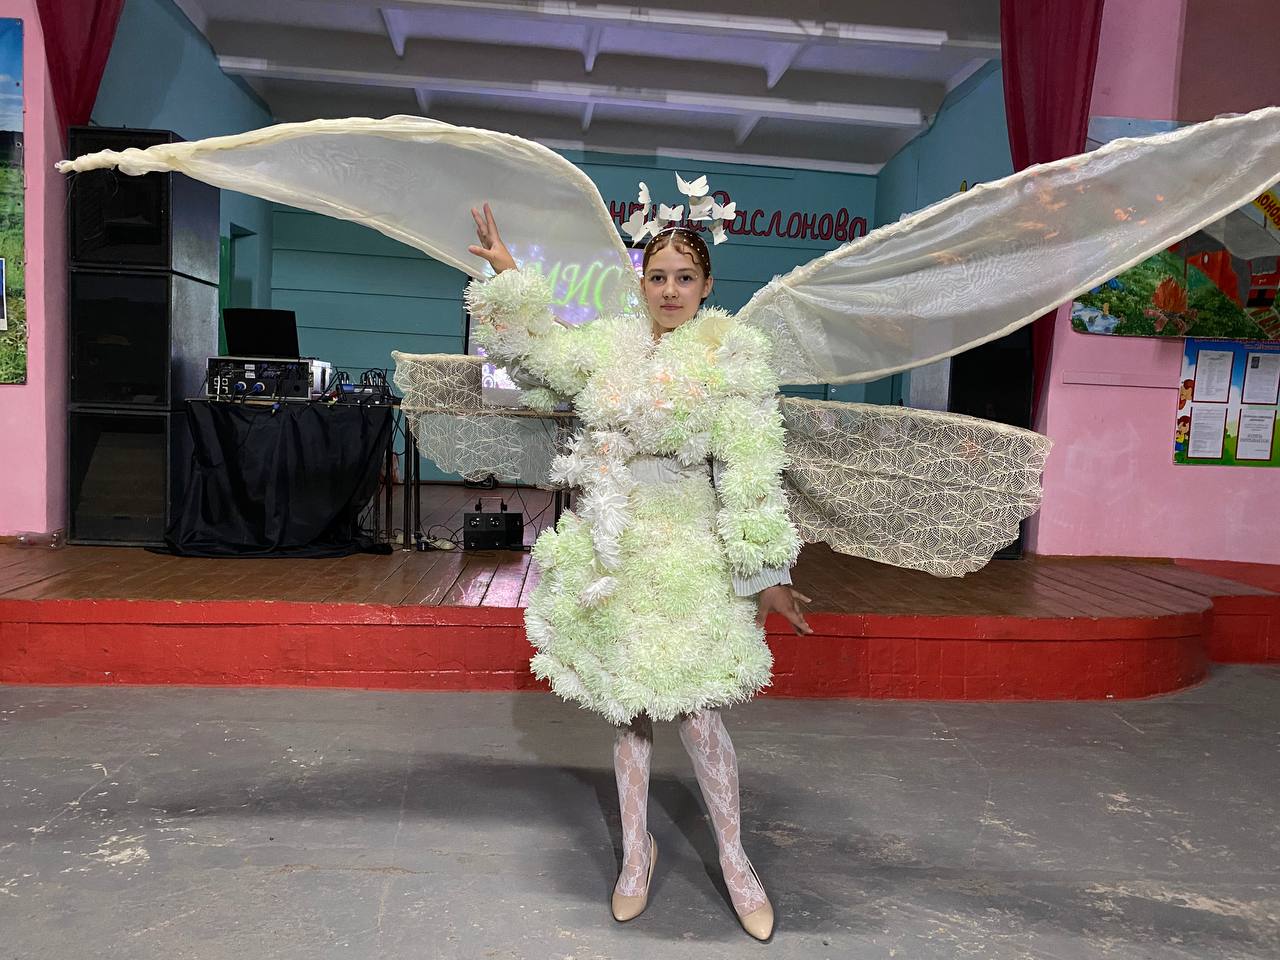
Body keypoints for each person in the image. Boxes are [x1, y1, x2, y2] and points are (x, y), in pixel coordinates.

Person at [466, 201, 811, 940]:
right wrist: (506, 271)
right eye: (657, 276)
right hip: (616, 547)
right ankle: (636, 853)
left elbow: (751, 466)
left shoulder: (730, 356)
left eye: (685, 277)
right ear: (640, 283)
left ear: (707, 284)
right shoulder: (610, 346)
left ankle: (735, 858)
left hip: (690, 550)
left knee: (698, 711)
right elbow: (540, 354)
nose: (670, 290)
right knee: (628, 709)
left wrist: (765, 569)